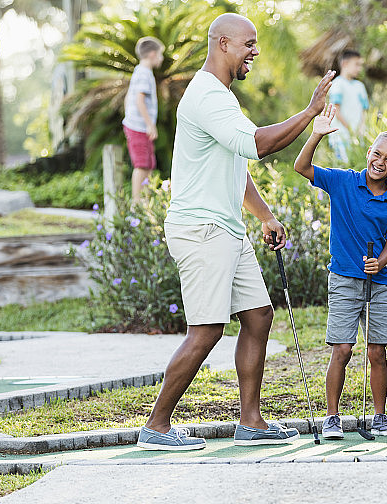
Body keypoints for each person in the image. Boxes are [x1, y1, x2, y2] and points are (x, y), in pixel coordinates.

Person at [137, 13, 336, 451]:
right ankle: (156, 426)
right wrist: (309, 112)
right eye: (248, 43)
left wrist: (264, 215)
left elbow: (238, 162)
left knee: (258, 315)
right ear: (223, 44)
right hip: (203, 230)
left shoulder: (223, 98)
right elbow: (259, 145)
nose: (255, 51)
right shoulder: (208, 96)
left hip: (227, 228)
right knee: (206, 330)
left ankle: (250, 421)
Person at [294, 104, 387, 438]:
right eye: (376, 153)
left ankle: (380, 417)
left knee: (377, 351)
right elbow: (302, 167)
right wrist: (316, 134)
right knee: (342, 349)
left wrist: (380, 262)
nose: (379, 162)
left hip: (377, 283)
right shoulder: (342, 182)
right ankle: (332, 417)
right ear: (369, 151)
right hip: (343, 279)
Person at [122, 36, 165, 203]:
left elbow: (128, 98)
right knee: (141, 165)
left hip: (137, 126)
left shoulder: (140, 72)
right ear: (152, 54)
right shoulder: (144, 73)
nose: (161, 59)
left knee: (148, 164)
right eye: (160, 55)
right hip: (139, 127)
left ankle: (145, 202)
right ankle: (137, 203)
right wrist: (149, 124)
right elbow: (139, 100)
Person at [327, 49, 369, 164]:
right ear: (344, 64)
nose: (359, 68)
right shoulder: (337, 84)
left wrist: (360, 129)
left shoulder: (360, 86)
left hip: (358, 136)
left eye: (360, 65)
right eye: (356, 64)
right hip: (341, 135)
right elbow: (336, 110)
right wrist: (350, 129)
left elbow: (364, 110)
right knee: (343, 166)